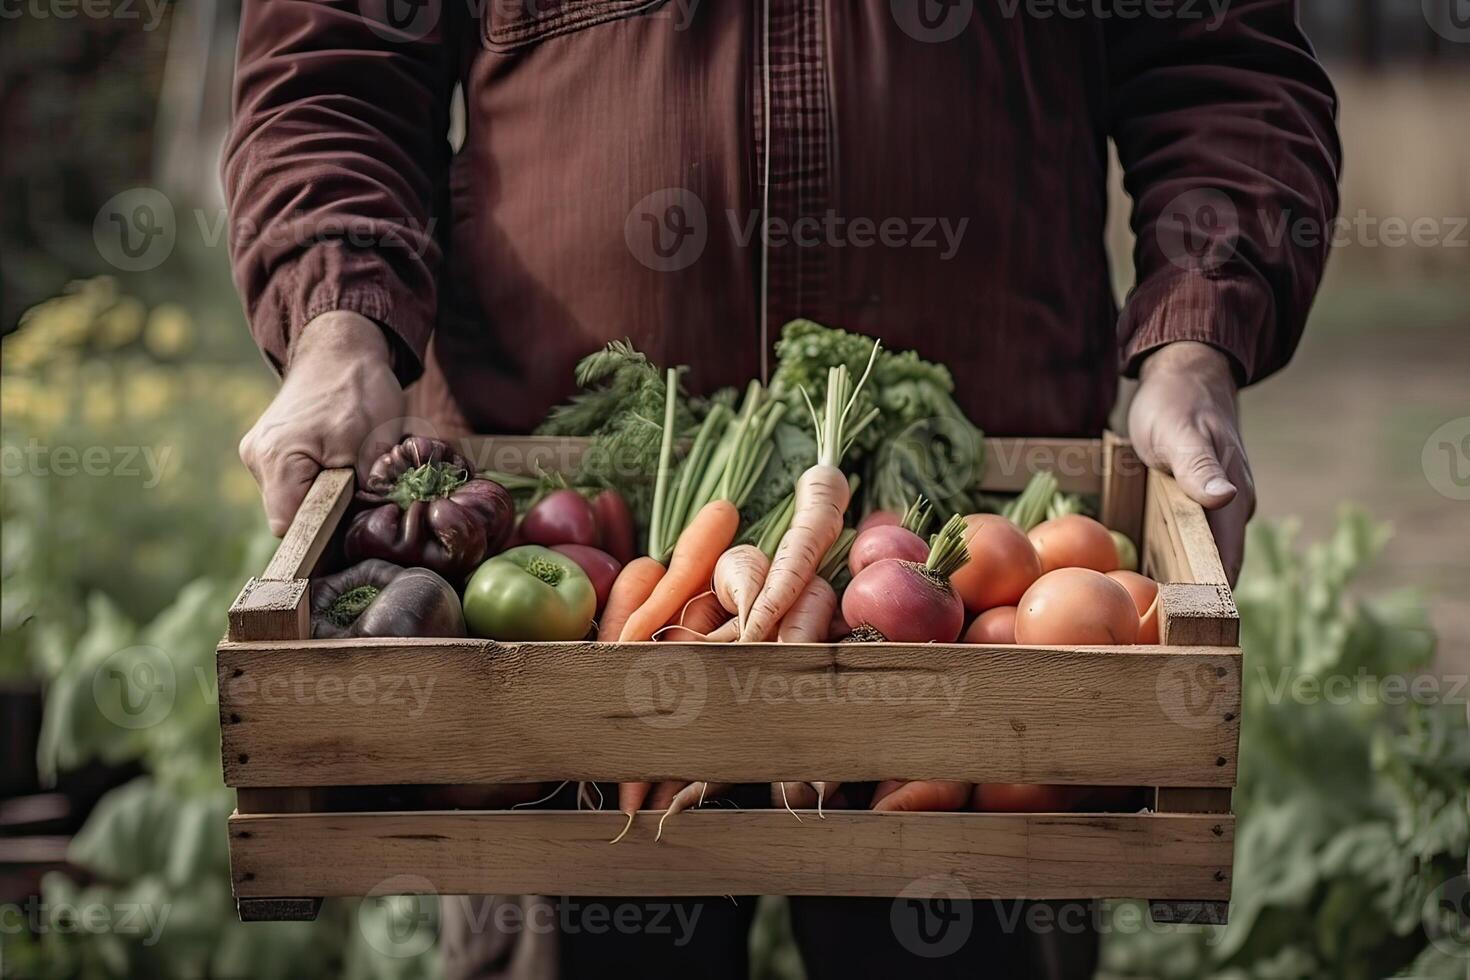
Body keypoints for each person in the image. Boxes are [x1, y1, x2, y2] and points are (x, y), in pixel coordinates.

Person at [224, 2, 1340, 976]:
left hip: (964, 603)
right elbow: (335, 61)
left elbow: (1221, 61)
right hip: (568, 609)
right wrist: (338, 325)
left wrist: (1195, 340)